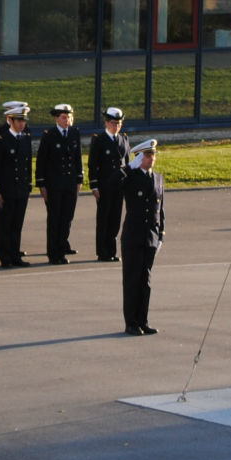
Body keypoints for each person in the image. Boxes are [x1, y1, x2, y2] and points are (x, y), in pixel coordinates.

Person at [120, 140, 166, 335]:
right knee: (132, 280)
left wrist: (161, 234)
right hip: (133, 236)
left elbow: (159, 209)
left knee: (145, 281)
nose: (151, 159)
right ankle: (131, 322)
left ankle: (143, 320)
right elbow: (111, 182)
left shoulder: (158, 178)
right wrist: (128, 167)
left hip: (150, 237)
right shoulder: (130, 177)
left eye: (153, 155)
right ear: (139, 157)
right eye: (147, 155)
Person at [0, 102, 35, 267]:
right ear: (10, 120)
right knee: (5, 225)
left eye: (23, 121)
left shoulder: (25, 138)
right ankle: (5, 256)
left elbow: (28, 164)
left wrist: (28, 184)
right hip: (6, 190)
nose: (22, 124)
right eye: (18, 120)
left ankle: (15, 255)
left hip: (21, 189)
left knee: (17, 224)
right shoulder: (1, 140)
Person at [36, 104, 83, 265]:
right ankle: (53, 253)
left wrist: (79, 179)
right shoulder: (49, 135)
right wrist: (41, 184)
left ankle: (62, 248)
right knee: (54, 219)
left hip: (70, 183)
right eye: (63, 117)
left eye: (69, 117)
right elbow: (41, 160)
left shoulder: (74, 133)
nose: (67, 120)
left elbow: (77, 157)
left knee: (67, 218)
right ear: (56, 118)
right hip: (54, 185)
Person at [88, 108, 131, 263]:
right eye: (113, 123)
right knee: (104, 219)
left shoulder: (123, 139)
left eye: (119, 123)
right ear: (106, 122)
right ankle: (102, 251)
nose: (116, 126)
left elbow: (127, 164)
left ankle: (111, 251)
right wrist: (94, 186)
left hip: (119, 187)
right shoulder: (99, 140)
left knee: (115, 220)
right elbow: (93, 165)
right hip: (104, 186)